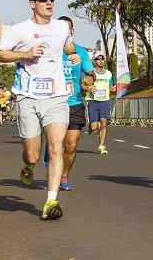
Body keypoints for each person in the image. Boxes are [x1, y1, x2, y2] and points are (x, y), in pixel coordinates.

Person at [0, 0, 81, 220]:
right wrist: (25, 54)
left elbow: (68, 44)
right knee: (32, 154)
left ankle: (51, 201)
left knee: (56, 146)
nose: (49, 3)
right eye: (43, 0)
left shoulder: (62, 26)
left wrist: (72, 54)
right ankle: (28, 167)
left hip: (56, 96)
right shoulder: (20, 30)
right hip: (28, 96)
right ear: (32, 4)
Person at [57, 16, 94, 191]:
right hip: (54, 103)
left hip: (75, 102)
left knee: (70, 145)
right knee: (56, 143)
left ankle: (64, 176)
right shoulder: (51, 51)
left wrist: (89, 77)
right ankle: (52, 164)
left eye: (68, 29)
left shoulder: (81, 51)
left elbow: (90, 71)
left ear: (72, 31)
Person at [83, 54, 115, 154]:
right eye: (98, 59)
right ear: (94, 61)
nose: (101, 61)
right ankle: (90, 127)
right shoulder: (90, 73)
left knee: (104, 123)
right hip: (93, 101)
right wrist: (89, 88)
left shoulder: (109, 73)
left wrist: (113, 89)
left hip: (105, 101)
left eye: (102, 59)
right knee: (94, 127)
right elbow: (83, 85)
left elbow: (111, 86)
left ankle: (101, 146)